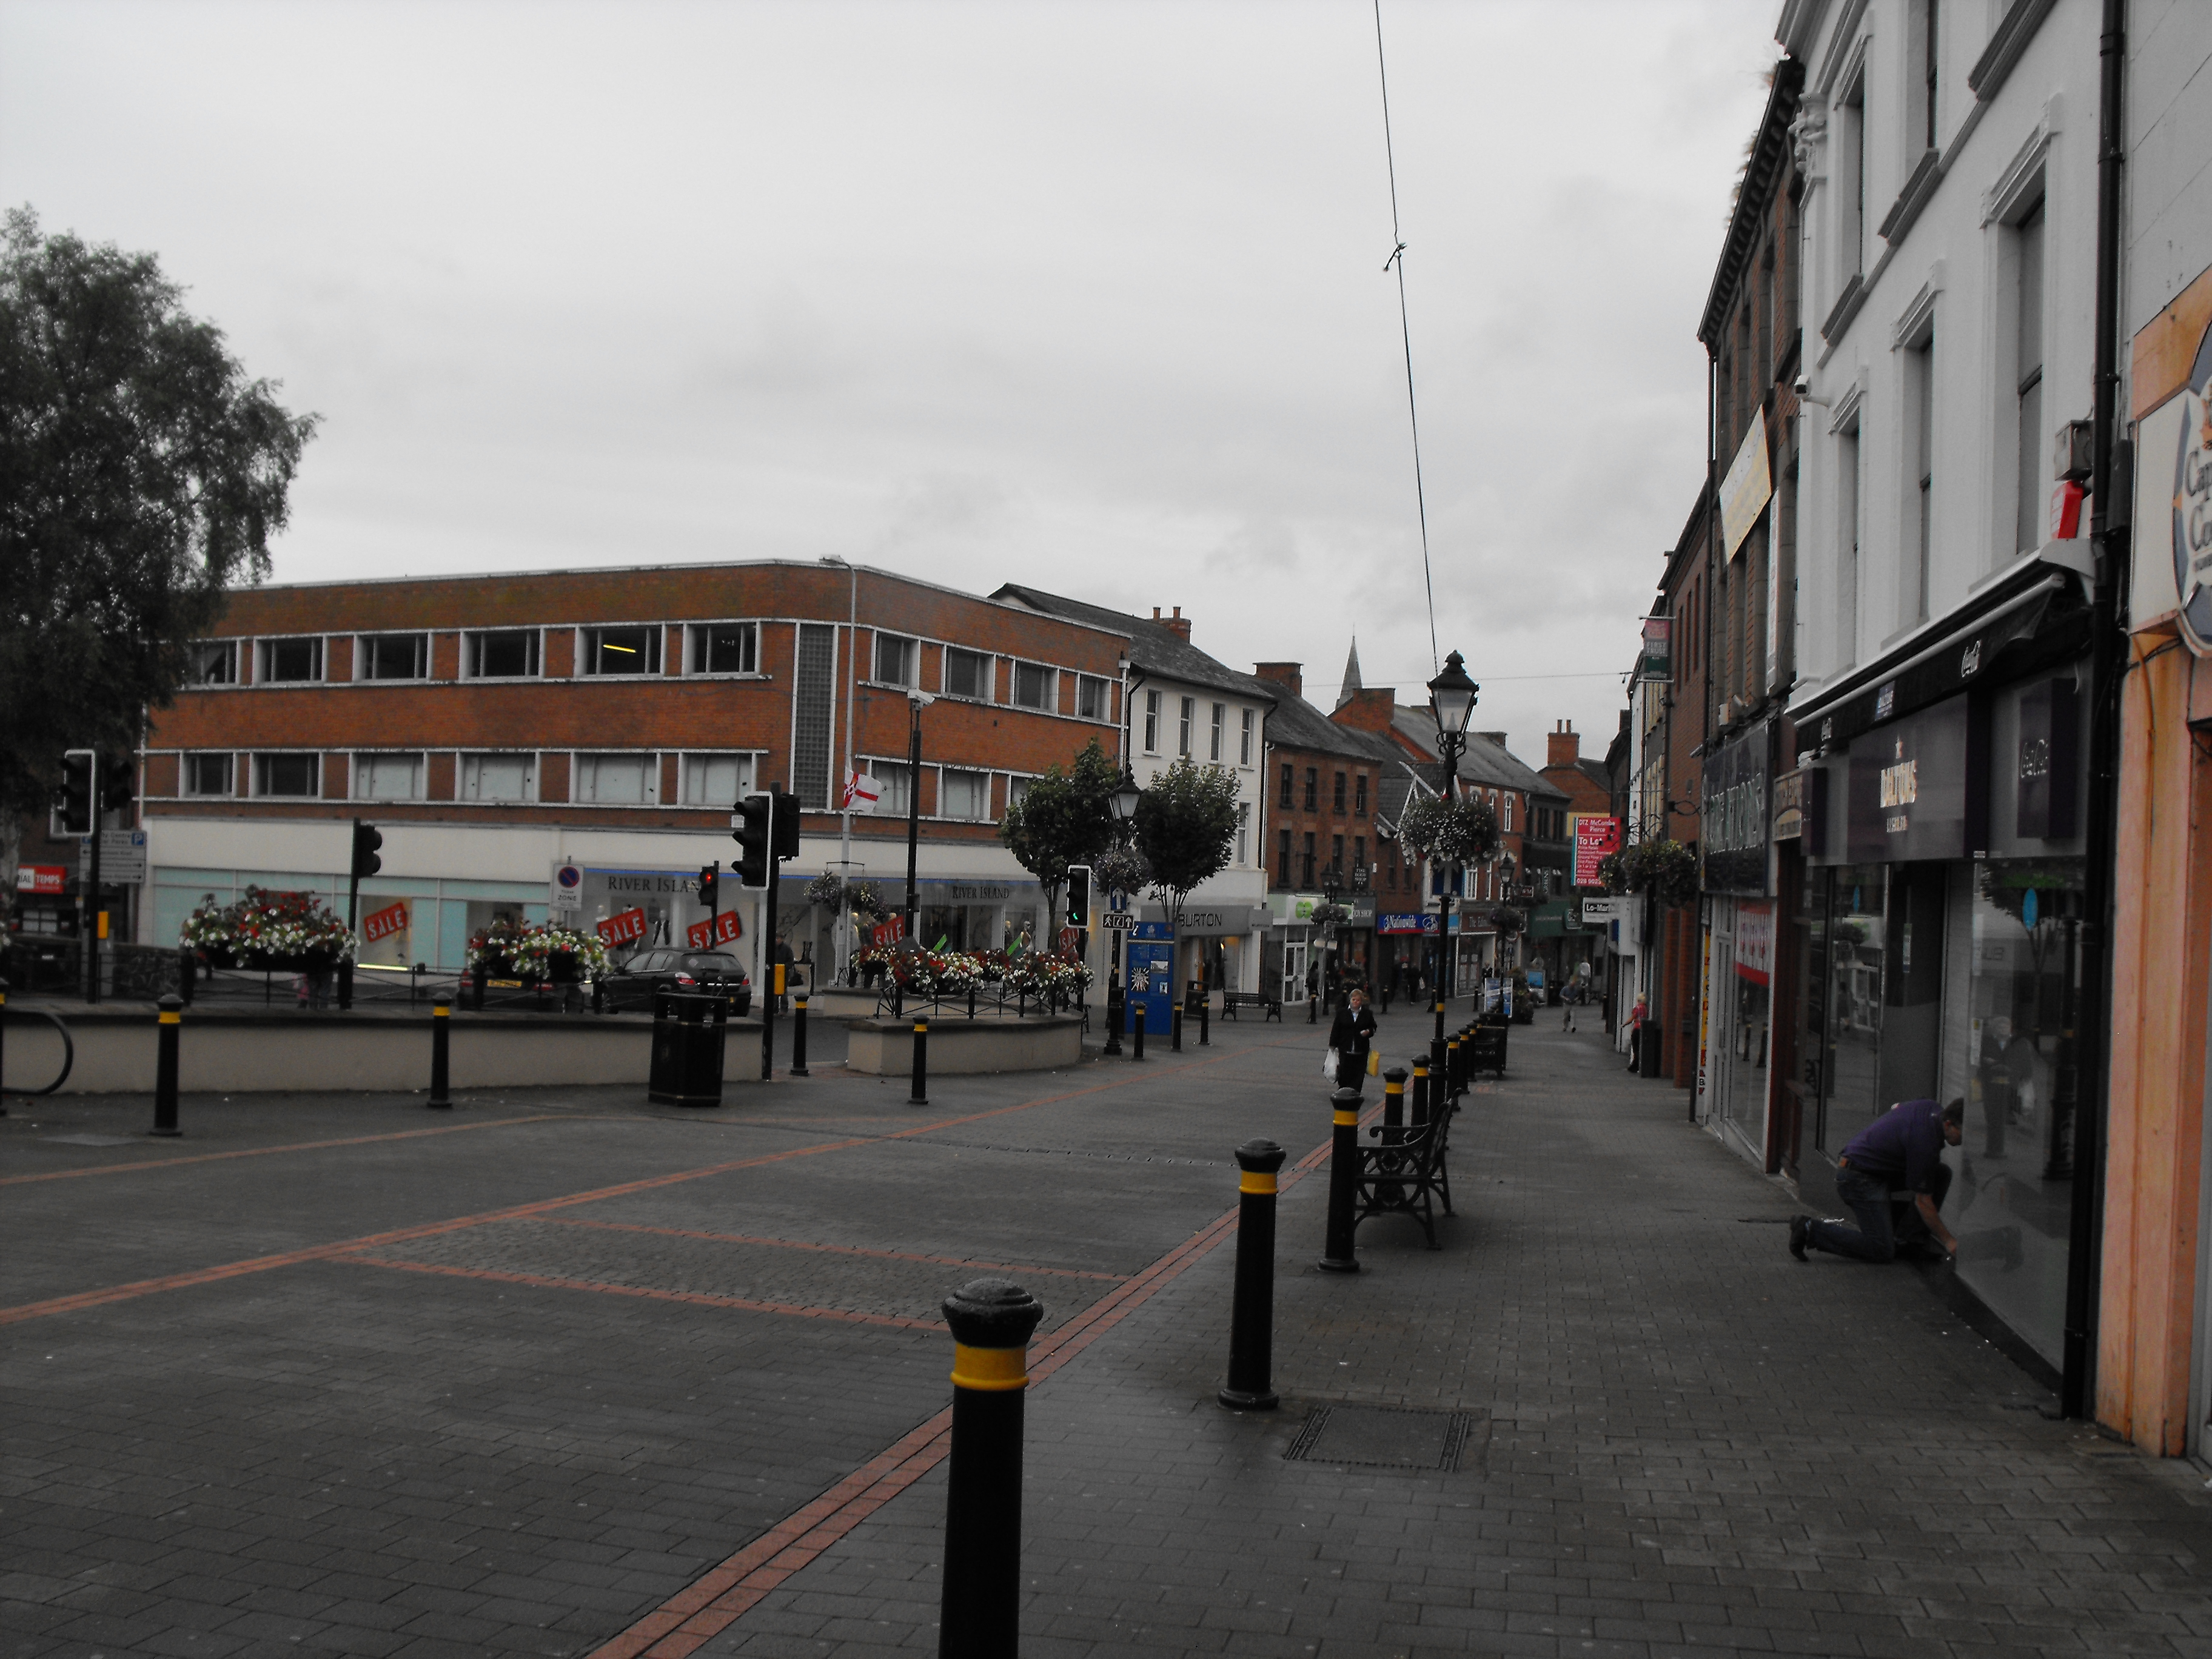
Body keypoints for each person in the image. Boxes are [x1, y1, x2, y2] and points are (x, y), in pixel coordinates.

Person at [1790, 1098, 1963, 1263]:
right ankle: (1809, 1229)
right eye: (1963, 1133)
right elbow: (1923, 1202)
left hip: (1871, 1170)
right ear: (1948, 1124)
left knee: (1940, 1173)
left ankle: (1909, 1241)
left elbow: (1897, 1107)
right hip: (1858, 1179)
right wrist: (1949, 1241)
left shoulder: (1930, 1108)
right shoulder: (1925, 1142)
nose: (1964, 1141)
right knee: (1882, 1249)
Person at [1329, 986, 1377, 1091]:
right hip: (1345, 1047)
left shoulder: (1367, 1014)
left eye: (1358, 1000)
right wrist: (1333, 1045)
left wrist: (1368, 1032)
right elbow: (1336, 1029)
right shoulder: (1342, 1013)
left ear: (1361, 1002)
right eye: (1354, 1000)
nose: (1356, 1002)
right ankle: (1343, 1090)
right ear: (1350, 1000)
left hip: (1361, 1049)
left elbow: (1373, 1027)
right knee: (1344, 1071)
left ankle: (1356, 1091)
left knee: (1358, 1072)